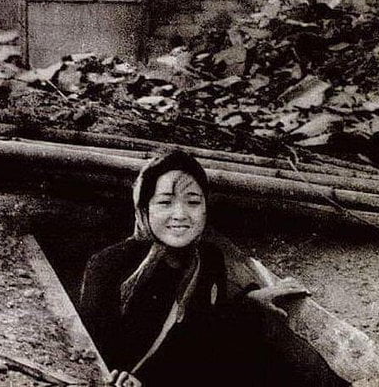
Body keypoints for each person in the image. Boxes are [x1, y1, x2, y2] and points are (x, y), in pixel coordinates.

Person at [80, 150, 310, 387]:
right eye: (165, 202)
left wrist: (250, 300)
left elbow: (206, 333)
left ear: (205, 208)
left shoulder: (208, 259)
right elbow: (90, 348)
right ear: (144, 209)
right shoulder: (108, 265)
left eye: (192, 202)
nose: (180, 214)